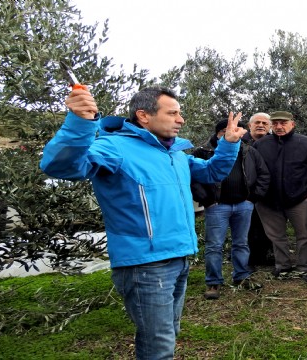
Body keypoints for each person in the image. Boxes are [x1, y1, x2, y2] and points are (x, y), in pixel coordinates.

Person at [40, 87, 245, 359]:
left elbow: (212, 172)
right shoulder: (114, 147)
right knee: (158, 347)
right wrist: (80, 122)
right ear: (143, 116)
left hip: (179, 255)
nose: (180, 119)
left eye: (180, 113)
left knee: (166, 335)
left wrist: (229, 144)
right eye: (172, 113)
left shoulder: (175, 155)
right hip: (145, 264)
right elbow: (60, 167)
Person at [191, 119, 270, 299]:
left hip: (244, 204)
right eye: (230, 131)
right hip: (217, 206)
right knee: (214, 246)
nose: (236, 135)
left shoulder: (250, 151)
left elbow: (264, 175)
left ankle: (241, 276)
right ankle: (213, 282)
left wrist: (252, 198)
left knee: (241, 243)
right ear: (220, 133)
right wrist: (207, 200)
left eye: (239, 132)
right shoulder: (203, 152)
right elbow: (194, 180)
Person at [252, 111, 307, 282]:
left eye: (283, 123)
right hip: (268, 200)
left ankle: (305, 267)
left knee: (304, 235)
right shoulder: (260, 145)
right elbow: (251, 171)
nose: (279, 127)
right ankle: (282, 266)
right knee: (276, 236)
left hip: (299, 199)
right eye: (275, 123)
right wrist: (257, 195)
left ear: (292, 124)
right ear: (271, 125)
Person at [242, 112, 274, 267]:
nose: (261, 125)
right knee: (247, 227)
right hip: (245, 194)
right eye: (257, 122)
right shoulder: (240, 143)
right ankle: (250, 258)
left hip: (268, 192)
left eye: (264, 123)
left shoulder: (275, 143)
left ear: (269, 127)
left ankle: (266, 254)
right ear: (249, 126)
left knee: (267, 226)